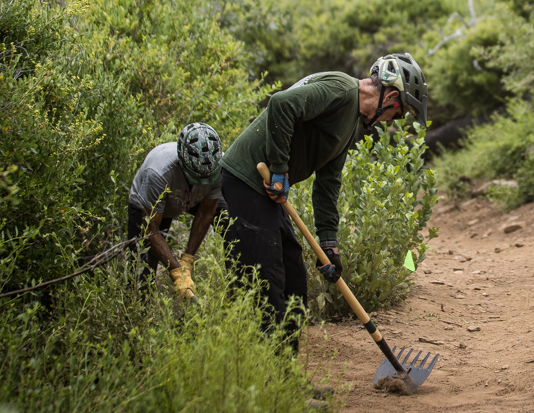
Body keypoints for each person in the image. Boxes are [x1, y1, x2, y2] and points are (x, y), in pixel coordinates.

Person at [219, 53, 427, 331]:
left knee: (294, 279)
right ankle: (264, 365)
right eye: (397, 114)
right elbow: (281, 104)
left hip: (267, 192)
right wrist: (280, 167)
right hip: (244, 180)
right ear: (390, 98)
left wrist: (329, 244)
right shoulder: (340, 89)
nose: (391, 122)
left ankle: (284, 367)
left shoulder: (353, 123)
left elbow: (328, 182)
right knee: (267, 282)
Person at [127, 123, 226, 300]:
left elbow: (206, 212)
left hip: (191, 197)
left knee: (231, 218)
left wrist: (187, 260)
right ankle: (138, 311)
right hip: (152, 206)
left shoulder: (217, 166)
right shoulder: (158, 172)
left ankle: (241, 282)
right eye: (196, 177)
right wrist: (177, 272)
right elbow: (151, 229)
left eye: (205, 178)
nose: (201, 182)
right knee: (142, 270)